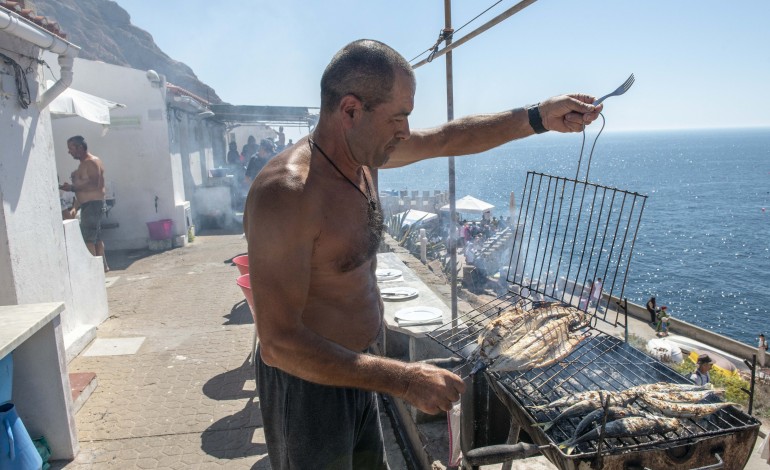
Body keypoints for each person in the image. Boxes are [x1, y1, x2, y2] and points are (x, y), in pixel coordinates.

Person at [244, 39, 602, 469]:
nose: (407, 132)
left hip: (360, 372)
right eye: (399, 117)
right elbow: (278, 343)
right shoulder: (288, 195)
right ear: (351, 110)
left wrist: (538, 117)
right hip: (308, 392)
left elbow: (451, 136)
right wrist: (404, 378)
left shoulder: (364, 157)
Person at [59, 135, 109, 272]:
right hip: (91, 205)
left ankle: (94, 271)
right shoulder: (85, 163)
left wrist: (72, 187)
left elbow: (94, 183)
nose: (69, 152)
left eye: (71, 148)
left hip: (92, 205)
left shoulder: (91, 162)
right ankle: (102, 267)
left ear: (80, 147)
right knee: (96, 238)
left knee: (88, 239)